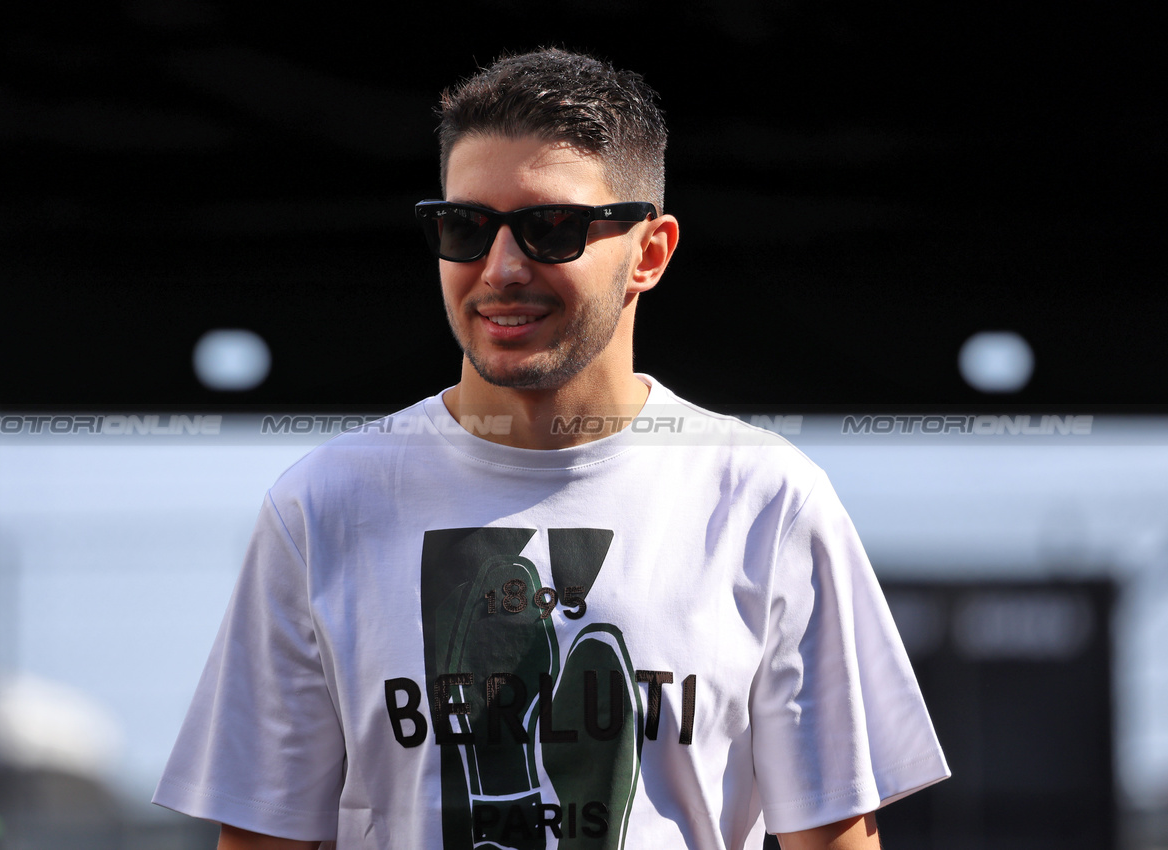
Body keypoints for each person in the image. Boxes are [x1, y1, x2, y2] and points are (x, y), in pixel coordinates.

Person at [153, 48, 949, 850]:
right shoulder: (324, 504)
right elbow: (262, 837)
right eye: (464, 227)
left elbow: (834, 838)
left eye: (551, 228)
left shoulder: (764, 497)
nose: (499, 268)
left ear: (649, 253)